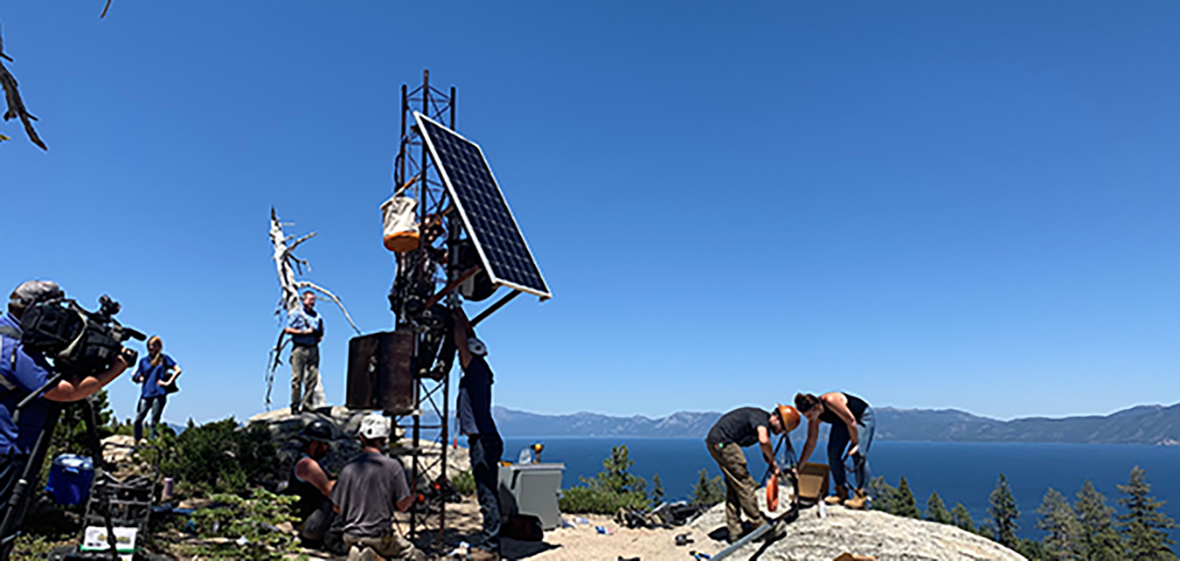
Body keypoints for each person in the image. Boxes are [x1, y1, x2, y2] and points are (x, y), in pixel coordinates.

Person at [0, 281, 130, 508]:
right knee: (6, 515)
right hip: (9, 449)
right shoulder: (12, 350)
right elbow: (66, 393)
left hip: (14, 444)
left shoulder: (16, 339)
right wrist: (117, 368)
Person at [329, 414, 425, 561]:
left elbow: (337, 507)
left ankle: (360, 552)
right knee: (415, 555)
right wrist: (411, 498)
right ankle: (374, 555)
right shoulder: (392, 467)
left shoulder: (348, 468)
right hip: (379, 537)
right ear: (385, 439)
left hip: (351, 536)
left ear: (361, 438)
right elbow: (402, 506)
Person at [705, 404, 800, 543]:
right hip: (723, 444)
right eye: (782, 428)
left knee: (734, 485)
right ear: (776, 418)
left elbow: (764, 445)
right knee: (745, 483)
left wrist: (769, 458)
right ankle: (759, 526)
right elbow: (763, 440)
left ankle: (735, 530)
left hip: (716, 443)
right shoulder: (762, 418)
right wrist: (773, 461)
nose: (779, 433)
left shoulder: (759, 419)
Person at [452, 308, 502, 561]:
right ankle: (492, 541)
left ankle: (491, 547)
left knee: (486, 493)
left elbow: (462, 344)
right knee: (488, 489)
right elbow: (469, 340)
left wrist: (454, 321)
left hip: (482, 439)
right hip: (487, 437)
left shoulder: (474, 371)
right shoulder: (483, 370)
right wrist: (460, 314)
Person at [794, 391, 876, 509]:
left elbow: (851, 420)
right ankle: (841, 491)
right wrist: (800, 466)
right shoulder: (815, 417)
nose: (810, 419)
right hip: (841, 422)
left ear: (816, 407)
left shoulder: (830, 400)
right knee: (833, 453)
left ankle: (861, 495)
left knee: (858, 454)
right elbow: (811, 442)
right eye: (806, 416)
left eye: (810, 415)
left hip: (861, 417)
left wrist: (854, 443)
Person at [285, 419, 341, 550]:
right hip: (309, 526)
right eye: (326, 444)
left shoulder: (306, 462)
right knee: (333, 502)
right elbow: (329, 490)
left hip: (305, 524)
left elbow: (330, 477)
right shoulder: (307, 465)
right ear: (316, 443)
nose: (328, 448)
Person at [131, 336, 181, 442]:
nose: (150, 348)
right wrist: (138, 378)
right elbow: (136, 376)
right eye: (149, 345)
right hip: (146, 392)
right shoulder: (144, 361)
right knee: (138, 418)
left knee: (155, 420)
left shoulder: (164, 359)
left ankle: (153, 441)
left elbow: (178, 370)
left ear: (158, 347)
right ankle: (137, 440)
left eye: (153, 345)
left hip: (159, 392)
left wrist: (168, 382)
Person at [285, 291, 324, 414]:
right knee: (297, 378)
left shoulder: (317, 316)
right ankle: (295, 406)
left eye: (313, 300)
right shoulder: (297, 314)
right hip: (299, 348)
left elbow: (321, 331)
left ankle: (307, 403)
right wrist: (303, 332)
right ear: (303, 300)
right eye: (309, 299)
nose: (312, 302)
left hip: (313, 348)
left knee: (313, 377)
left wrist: (317, 336)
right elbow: (287, 329)